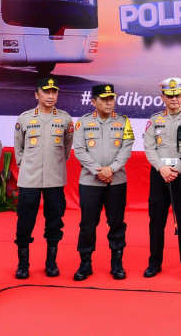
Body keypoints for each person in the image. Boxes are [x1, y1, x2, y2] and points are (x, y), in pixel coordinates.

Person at [72, 84, 134, 281]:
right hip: (90, 181)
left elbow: (126, 149)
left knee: (117, 223)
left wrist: (111, 169)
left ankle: (117, 263)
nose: (109, 102)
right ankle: (85, 263)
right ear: (93, 101)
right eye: (104, 99)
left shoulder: (124, 121)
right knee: (88, 224)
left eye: (111, 99)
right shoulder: (83, 122)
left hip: (116, 181)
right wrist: (98, 171)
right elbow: (79, 150)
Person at [13, 77, 74, 279]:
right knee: (25, 221)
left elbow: (67, 148)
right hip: (29, 179)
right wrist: (27, 166)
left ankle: (51, 262)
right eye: (46, 92)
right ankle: (23, 264)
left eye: (54, 92)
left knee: (55, 221)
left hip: (54, 179)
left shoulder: (65, 119)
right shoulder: (24, 118)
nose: (50, 96)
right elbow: (19, 148)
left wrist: (54, 164)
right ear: (36, 94)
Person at [143, 77, 181, 280]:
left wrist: (178, 168)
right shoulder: (154, 120)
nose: (174, 99)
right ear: (163, 97)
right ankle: (154, 263)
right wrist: (161, 168)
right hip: (159, 173)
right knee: (156, 220)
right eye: (169, 95)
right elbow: (149, 147)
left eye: (177, 95)